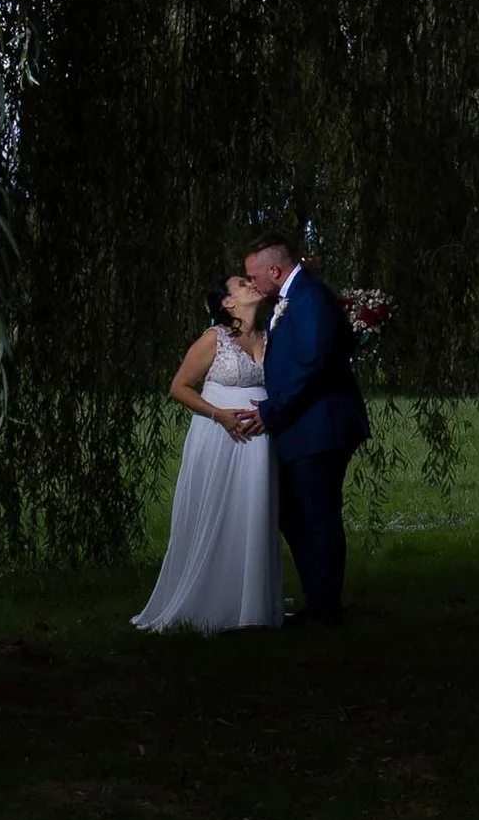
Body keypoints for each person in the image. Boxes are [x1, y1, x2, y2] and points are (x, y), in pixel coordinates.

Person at [233, 230, 370, 626]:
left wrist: (273, 412)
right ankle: (320, 599)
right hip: (306, 425)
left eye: (254, 276)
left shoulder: (309, 297)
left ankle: (325, 609)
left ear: (275, 270)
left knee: (316, 514)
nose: (253, 284)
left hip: (320, 427)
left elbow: (312, 363)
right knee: (296, 512)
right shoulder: (294, 298)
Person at [132, 273, 282, 632]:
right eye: (242, 284)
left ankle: (252, 606)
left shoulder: (268, 336)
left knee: (254, 512)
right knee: (218, 507)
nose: (251, 285)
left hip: (259, 443)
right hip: (220, 437)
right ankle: (208, 600)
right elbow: (179, 387)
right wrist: (219, 415)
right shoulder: (213, 339)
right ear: (227, 303)